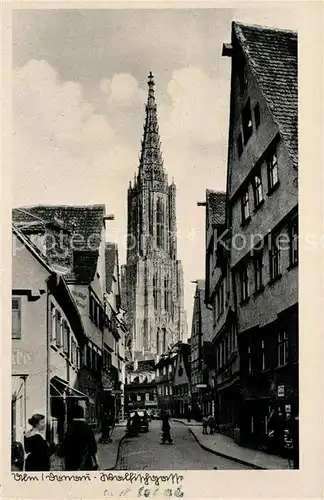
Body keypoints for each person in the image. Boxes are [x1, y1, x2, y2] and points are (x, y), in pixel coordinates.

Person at [61, 404, 99, 471]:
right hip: (85, 463)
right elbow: (93, 449)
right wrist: (97, 463)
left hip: (70, 464)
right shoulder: (87, 429)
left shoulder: (69, 430)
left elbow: (63, 450)